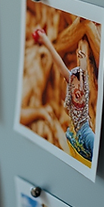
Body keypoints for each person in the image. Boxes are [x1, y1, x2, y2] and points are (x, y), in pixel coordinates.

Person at [32, 27, 95, 162]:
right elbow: (59, 64)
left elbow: (82, 74)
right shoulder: (71, 87)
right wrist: (45, 39)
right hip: (74, 136)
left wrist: (83, 64)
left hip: (84, 134)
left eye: (81, 86)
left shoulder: (89, 136)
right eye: (74, 85)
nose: (78, 89)